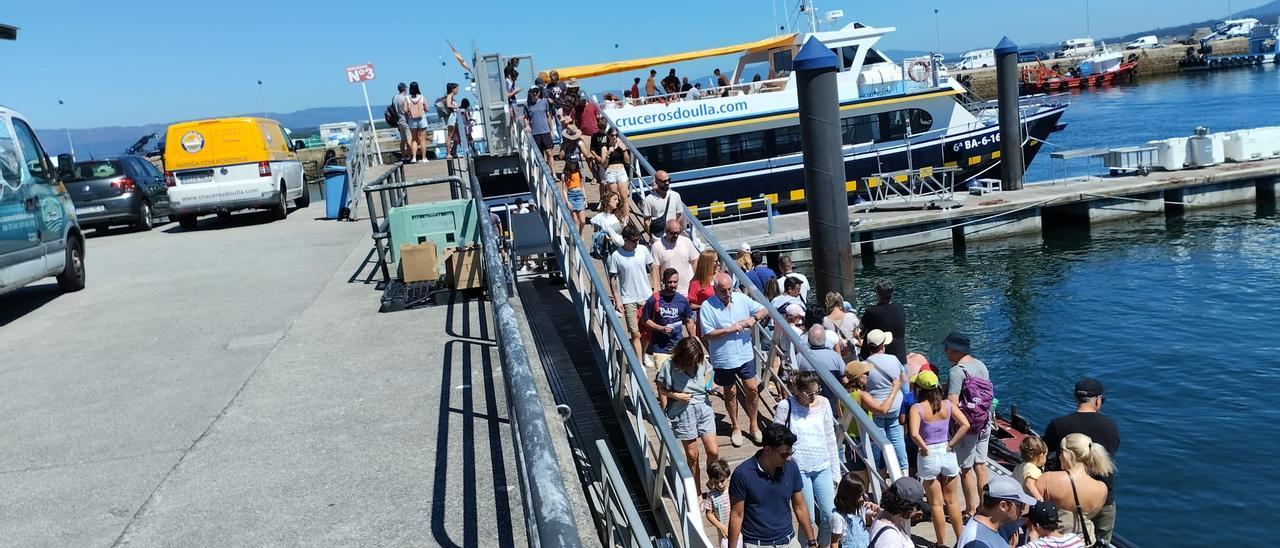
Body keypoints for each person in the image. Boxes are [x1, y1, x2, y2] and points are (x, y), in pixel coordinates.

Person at [1041, 378, 1119, 543]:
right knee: (1102, 542)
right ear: (1098, 400)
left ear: (1076, 398)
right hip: (1103, 499)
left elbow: (1043, 453)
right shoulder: (1111, 427)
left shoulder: (1058, 425)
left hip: (1066, 499)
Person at [699, 272, 768, 447]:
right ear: (715, 289)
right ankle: (735, 426)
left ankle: (753, 425)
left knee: (752, 389)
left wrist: (754, 318)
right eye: (723, 290)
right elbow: (708, 334)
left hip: (744, 354)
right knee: (729, 392)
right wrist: (729, 329)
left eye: (729, 289)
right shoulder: (707, 306)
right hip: (724, 357)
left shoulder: (740, 298)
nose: (728, 293)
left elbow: (764, 308)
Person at [773, 371, 840, 547]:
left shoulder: (824, 403)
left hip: (823, 465)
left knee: (830, 515)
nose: (813, 396)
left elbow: (830, 438)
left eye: (816, 392)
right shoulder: (785, 406)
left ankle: (823, 545)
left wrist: (836, 473)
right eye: (809, 393)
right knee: (807, 517)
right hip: (798, 468)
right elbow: (775, 437)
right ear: (797, 390)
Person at [727, 422, 819, 548]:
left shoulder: (791, 466)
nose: (788, 458)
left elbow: (800, 506)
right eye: (784, 454)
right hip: (757, 544)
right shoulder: (742, 474)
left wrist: (812, 542)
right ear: (767, 450)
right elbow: (737, 515)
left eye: (790, 453)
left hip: (789, 541)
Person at [906, 370, 970, 547]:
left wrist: (924, 447)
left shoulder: (917, 408)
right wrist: (951, 444)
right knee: (952, 500)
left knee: (936, 503)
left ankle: (941, 543)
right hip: (947, 451)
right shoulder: (947, 404)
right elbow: (965, 424)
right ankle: (962, 540)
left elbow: (913, 433)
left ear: (919, 388)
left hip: (929, 455)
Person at [656, 337, 719, 491]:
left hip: (703, 407)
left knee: (713, 451)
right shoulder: (669, 365)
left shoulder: (702, 362)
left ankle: (711, 482)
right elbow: (661, 388)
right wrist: (675, 395)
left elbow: (709, 381)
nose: (694, 363)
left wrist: (713, 387)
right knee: (693, 456)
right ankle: (696, 491)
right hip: (683, 409)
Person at [943, 331, 994, 520]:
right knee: (981, 466)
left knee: (966, 470)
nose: (945, 351)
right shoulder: (980, 365)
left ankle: (971, 509)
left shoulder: (957, 371)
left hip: (967, 428)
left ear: (956, 350)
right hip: (984, 423)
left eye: (947, 348)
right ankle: (985, 506)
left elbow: (952, 403)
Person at [1036, 433, 1114, 543]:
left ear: (1069, 454)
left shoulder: (1047, 479)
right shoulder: (1102, 489)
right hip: (1083, 542)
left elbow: (1031, 512)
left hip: (1052, 542)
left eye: (1062, 452)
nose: (1059, 456)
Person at [842, 361, 901, 482]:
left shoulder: (842, 394)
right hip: (866, 440)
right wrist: (895, 389)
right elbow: (883, 409)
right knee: (879, 479)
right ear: (859, 377)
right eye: (866, 373)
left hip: (851, 442)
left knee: (861, 483)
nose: (868, 376)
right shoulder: (862, 395)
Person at [862, 329, 908, 477]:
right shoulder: (894, 359)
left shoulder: (864, 365)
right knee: (897, 437)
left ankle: (880, 473)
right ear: (883, 345)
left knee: (878, 441)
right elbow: (903, 381)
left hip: (875, 407)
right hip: (894, 406)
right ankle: (903, 470)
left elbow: (862, 384)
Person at [608, 224, 655, 361]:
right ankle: (639, 363)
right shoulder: (616, 256)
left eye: (638, 239)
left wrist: (656, 287)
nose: (637, 243)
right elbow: (612, 278)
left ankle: (643, 353)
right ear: (626, 240)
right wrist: (617, 300)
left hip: (646, 296)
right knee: (635, 333)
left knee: (647, 332)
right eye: (634, 241)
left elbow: (653, 267)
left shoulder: (642, 250)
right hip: (629, 299)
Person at [956, 475, 1037, 548]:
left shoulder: (996, 526)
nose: (1022, 509)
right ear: (1003, 506)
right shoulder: (977, 543)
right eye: (1021, 505)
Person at [643, 267, 696, 366]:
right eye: (670, 282)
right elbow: (645, 320)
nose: (673, 285)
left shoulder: (682, 300)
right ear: (664, 281)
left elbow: (689, 321)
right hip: (660, 347)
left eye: (675, 282)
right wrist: (660, 328)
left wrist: (692, 339)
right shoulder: (654, 299)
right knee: (662, 378)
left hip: (678, 346)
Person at [866, 477, 924, 548]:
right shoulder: (889, 538)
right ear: (906, 507)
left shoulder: (884, 515)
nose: (917, 511)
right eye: (917, 507)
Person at [859, 280, 906, 363]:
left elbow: (861, 326)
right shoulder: (900, 308)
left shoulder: (871, 311)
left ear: (877, 294)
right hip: (899, 357)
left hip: (876, 359)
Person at [651, 219, 700, 295]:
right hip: (668, 290)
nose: (676, 235)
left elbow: (694, 262)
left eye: (678, 232)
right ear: (666, 231)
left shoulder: (686, 241)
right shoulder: (657, 246)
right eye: (673, 233)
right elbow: (655, 269)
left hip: (687, 289)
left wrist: (697, 282)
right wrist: (657, 289)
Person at [829, 473, 873, 548]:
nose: (862, 499)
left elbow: (868, 527)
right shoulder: (838, 517)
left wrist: (870, 515)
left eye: (862, 495)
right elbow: (834, 543)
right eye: (858, 496)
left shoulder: (860, 509)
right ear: (848, 497)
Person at [596, 128, 632, 217]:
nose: (614, 137)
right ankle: (616, 216)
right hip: (611, 172)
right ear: (608, 136)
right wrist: (608, 154)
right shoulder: (605, 148)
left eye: (616, 135)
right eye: (612, 135)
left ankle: (626, 219)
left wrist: (624, 150)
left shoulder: (621, 145)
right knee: (614, 197)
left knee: (624, 198)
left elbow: (627, 161)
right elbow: (603, 165)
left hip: (621, 171)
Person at [703, 459, 736, 548]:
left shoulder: (734, 489)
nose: (720, 485)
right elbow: (709, 514)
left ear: (728, 477)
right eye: (715, 482)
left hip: (738, 527)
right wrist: (720, 526)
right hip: (724, 531)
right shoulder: (712, 495)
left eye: (722, 481)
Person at [523, 87, 556, 168]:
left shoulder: (544, 102)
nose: (535, 94)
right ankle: (545, 172)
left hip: (545, 132)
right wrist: (527, 125)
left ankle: (554, 174)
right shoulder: (527, 105)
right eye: (533, 92)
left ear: (539, 93)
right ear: (530, 93)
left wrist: (552, 131)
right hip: (535, 133)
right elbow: (525, 118)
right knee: (540, 156)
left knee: (549, 153)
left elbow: (548, 116)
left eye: (536, 92)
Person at [822, 292, 860, 362]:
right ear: (841, 303)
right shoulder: (851, 316)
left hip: (836, 360)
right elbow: (856, 334)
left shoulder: (824, 321)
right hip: (852, 359)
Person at [590, 190, 625, 262]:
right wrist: (604, 236)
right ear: (608, 201)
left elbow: (622, 232)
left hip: (621, 247)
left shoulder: (619, 216)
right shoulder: (599, 217)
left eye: (617, 200)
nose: (617, 202)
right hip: (608, 249)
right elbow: (595, 234)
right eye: (615, 199)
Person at [401, 82, 429, 164]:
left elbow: (405, 110)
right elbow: (427, 108)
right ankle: (424, 158)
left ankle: (414, 158)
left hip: (412, 120)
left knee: (414, 140)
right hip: (422, 119)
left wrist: (410, 111)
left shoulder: (407, 98)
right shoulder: (422, 97)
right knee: (422, 140)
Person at [1016, 436, 1049, 501]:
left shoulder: (1022, 464)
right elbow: (1029, 484)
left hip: (1014, 492)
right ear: (1041, 455)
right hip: (1022, 498)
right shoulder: (1033, 470)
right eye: (1046, 456)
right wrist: (1040, 500)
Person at [560, 160, 586, 233]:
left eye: (574, 164)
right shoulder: (564, 175)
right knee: (575, 220)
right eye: (571, 164)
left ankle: (580, 232)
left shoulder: (579, 173)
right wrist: (567, 201)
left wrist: (585, 199)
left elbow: (582, 186)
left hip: (579, 195)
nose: (573, 165)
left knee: (583, 221)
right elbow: (564, 190)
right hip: (571, 195)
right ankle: (577, 238)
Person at [392, 83, 410, 158]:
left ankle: (403, 156)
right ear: (405, 89)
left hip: (399, 121)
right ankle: (410, 156)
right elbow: (407, 110)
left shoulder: (395, 98)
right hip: (406, 120)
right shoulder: (405, 98)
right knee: (409, 139)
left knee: (403, 140)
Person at [443, 83, 460, 159]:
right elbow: (449, 105)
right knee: (450, 136)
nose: (457, 90)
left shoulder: (452, 97)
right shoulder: (449, 96)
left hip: (453, 118)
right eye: (456, 89)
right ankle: (448, 153)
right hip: (451, 118)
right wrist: (456, 106)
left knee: (455, 136)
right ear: (452, 89)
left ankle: (453, 151)